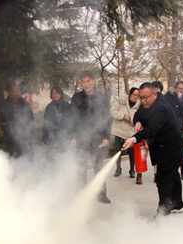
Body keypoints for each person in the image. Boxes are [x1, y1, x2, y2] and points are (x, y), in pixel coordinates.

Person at [123, 82, 183, 215]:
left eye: (146, 97)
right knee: (173, 175)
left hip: (171, 147)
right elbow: (138, 115)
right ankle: (178, 204)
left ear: (155, 94)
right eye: (141, 97)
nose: (143, 101)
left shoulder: (161, 107)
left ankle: (163, 213)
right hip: (160, 146)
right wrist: (138, 122)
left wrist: (134, 139)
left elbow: (151, 129)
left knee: (163, 180)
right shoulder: (146, 103)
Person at [70, 70, 112, 204]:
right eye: (83, 81)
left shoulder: (102, 97)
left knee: (98, 166)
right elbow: (72, 117)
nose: (86, 84)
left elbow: (106, 118)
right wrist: (73, 135)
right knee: (81, 166)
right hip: (82, 137)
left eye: (88, 81)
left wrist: (106, 136)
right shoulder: (76, 98)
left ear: (94, 81)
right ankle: (81, 192)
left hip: (97, 137)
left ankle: (101, 193)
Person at [110, 87, 142, 183]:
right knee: (118, 150)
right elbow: (113, 111)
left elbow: (139, 119)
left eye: (137, 95)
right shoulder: (121, 101)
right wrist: (123, 116)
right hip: (118, 130)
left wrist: (131, 120)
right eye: (134, 95)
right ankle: (118, 169)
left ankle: (132, 170)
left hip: (130, 132)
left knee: (131, 152)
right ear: (129, 94)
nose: (135, 97)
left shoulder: (139, 105)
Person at [0, 84, 34, 157]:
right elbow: (0, 120)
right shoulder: (4, 105)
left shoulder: (25, 104)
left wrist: (29, 131)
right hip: (10, 138)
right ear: (10, 92)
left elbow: (31, 118)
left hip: (24, 137)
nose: (15, 93)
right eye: (13, 91)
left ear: (20, 92)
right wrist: (7, 131)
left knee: (25, 156)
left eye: (17, 91)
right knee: (13, 157)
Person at [165, 81, 183, 180]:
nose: (179, 90)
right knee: (170, 151)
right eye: (178, 88)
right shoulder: (169, 96)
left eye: (181, 88)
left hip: (180, 127)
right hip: (169, 126)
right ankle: (172, 171)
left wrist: (181, 100)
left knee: (180, 150)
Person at [42, 86, 72, 150]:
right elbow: (46, 124)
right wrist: (45, 138)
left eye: (57, 93)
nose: (55, 95)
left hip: (65, 136)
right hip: (53, 136)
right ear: (51, 94)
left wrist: (72, 136)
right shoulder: (49, 107)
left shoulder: (67, 106)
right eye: (53, 93)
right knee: (54, 156)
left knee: (66, 155)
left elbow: (71, 122)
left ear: (61, 94)